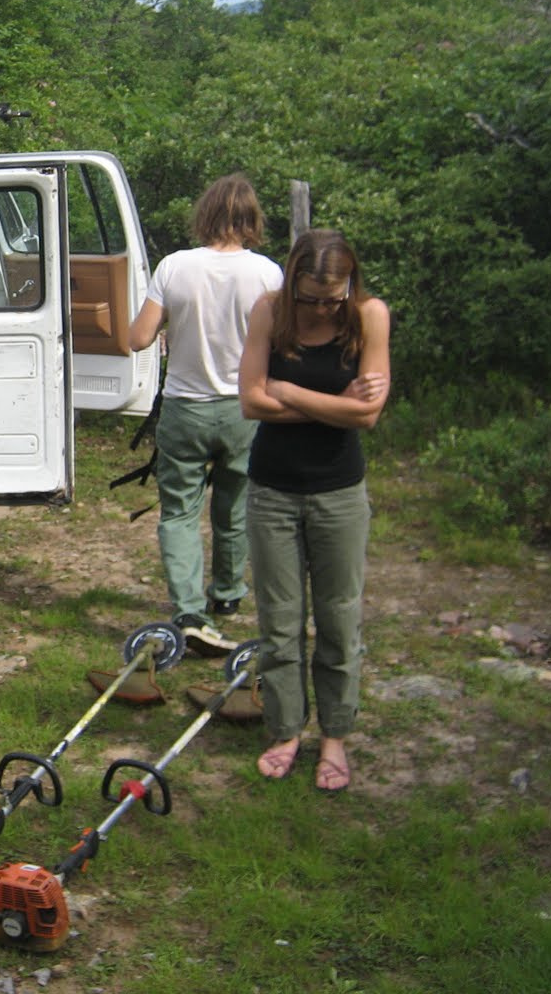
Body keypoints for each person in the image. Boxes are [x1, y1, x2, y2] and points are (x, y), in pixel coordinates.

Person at [239, 228, 390, 793]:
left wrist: (291, 391)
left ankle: (335, 734)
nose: (322, 307)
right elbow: (251, 399)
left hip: (339, 494)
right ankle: (285, 730)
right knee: (279, 620)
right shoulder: (269, 312)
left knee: (339, 617)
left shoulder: (369, 315)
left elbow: (368, 415)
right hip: (272, 491)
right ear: (293, 279)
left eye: (332, 297)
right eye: (311, 297)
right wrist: (335, 405)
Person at [128, 174, 284, 656]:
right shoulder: (268, 275)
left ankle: (188, 610)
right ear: (251, 218)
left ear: (205, 214)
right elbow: (280, 344)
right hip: (245, 410)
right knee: (234, 508)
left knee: (179, 511)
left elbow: (137, 338)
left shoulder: (174, 267)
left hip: (185, 408)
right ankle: (228, 597)